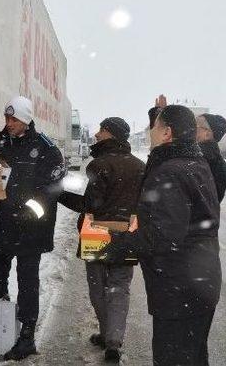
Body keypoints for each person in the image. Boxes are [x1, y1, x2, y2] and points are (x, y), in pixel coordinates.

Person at [104, 105, 221, 366]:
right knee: (194, 356)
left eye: (154, 126)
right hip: (201, 281)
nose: (149, 132)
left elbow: (161, 237)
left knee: (173, 358)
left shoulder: (169, 172)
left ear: (167, 133)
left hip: (179, 288)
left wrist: (114, 243)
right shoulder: (195, 163)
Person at [0, 95, 65, 360]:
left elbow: (54, 187)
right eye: (7, 118)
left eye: (14, 119)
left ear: (26, 119)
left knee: (28, 282)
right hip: (1, 225)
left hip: (30, 230)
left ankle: (27, 335)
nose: (9, 123)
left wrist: (32, 209)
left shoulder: (45, 148)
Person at [58, 117, 145, 363]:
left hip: (97, 231)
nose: (96, 134)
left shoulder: (99, 165)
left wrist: (59, 195)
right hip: (127, 231)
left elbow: (90, 206)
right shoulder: (140, 166)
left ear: (112, 134)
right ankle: (114, 340)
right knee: (120, 287)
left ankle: (108, 334)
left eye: (102, 130)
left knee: (98, 286)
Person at [196, 113, 226, 202]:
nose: (192, 129)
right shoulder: (219, 163)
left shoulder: (197, 158)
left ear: (207, 134)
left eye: (196, 126)